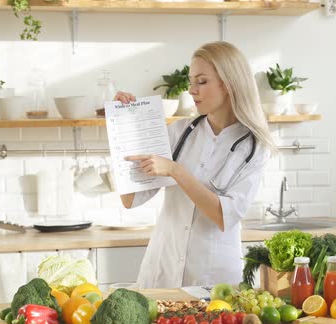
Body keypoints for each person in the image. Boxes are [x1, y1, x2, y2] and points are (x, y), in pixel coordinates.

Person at [115, 41, 276, 288]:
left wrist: (176, 171)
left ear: (230, 83)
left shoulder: (254, 146)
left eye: (201, 81)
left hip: (213, 280)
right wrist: (124, 128)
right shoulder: (178, 132)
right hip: (162, 270)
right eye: (191, 82)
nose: (192, 90)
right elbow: (130, 200)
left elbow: (224, 216)